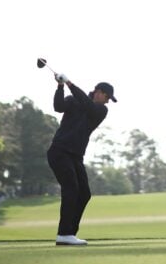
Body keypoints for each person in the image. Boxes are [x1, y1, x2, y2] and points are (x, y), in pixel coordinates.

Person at [47, 72, 116, 246]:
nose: (108, 101)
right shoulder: (74, 100)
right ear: (99, 92)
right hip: (59, 151)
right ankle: (64, 233)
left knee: (84, 193)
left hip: (76, 156)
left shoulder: (101, 110)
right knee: (71, 188)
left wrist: (69, 83)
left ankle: (70, 233)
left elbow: (88, 106)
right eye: (107, 97)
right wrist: (61, 86)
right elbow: (58, 106)